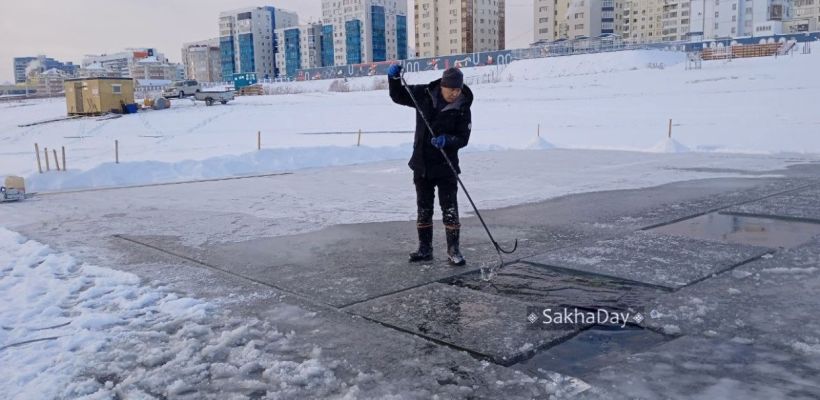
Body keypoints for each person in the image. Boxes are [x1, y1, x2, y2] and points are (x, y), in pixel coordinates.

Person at [387, 64, 472, 266]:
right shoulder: (424, 94)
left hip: (446, 165)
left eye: (458, 89)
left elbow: (463, 138)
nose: (455, 93)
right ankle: (425, 249)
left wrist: (447, 140)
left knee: (449, 208)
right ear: (443, 86)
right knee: (424, 208)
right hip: (422, 164)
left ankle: (453, 250)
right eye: (451, 89)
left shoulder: (462, 107)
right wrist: (394, 79)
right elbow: (399, 96)